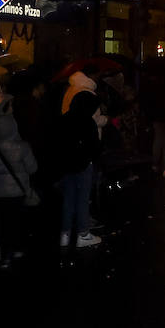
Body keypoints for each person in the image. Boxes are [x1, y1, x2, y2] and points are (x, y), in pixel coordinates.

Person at [0, 87, 38, 265]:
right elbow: (32, 168)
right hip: (16, 191)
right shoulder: (21, 146)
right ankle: (10, 253)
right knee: (13, 223)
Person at [56, 91, 105, 251]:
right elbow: (94, 146)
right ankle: (83, 234)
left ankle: (65, 233)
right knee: (83, 199)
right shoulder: (87, 121)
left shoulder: (64, 119)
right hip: (83, 165)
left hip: (66, 165)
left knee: (68, 199)